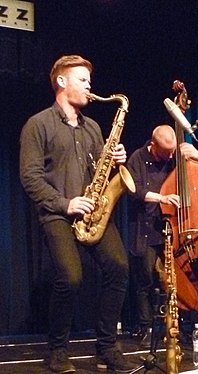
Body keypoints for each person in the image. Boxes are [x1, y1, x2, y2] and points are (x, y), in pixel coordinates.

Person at [19, 55, 138, 374]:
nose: (90, 87)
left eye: (89, 81)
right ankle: (57, 351)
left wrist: (114, 158)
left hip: (94, 209)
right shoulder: (38, 124)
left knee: (119, 268)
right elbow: (30, 177)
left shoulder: (95, 127)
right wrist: (66, 204)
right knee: (71, 277)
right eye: (83, 80)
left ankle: (107, 348)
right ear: (61, 82)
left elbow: (97, 169)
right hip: (58, 213)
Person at [127, 124, 198, 348]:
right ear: (153, 145)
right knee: (145, 280)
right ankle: (145, 327)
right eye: (167, 152)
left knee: (177, 281)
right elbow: (132, 189)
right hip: (146, 228)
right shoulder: (137, 157)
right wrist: (161, 198)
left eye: (174, 151)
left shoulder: (176, 156)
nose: (172, 156)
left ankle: (178, 327)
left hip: (175, 228)